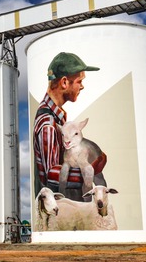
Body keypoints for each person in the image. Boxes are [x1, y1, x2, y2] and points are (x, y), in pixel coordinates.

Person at [32, 52, 105, 200]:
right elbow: (50, 176)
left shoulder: (58, 118)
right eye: (79, 81)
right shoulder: (48, 124)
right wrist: (92, 169)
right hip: (59, 212)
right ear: (65, 82)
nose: (82, 86)